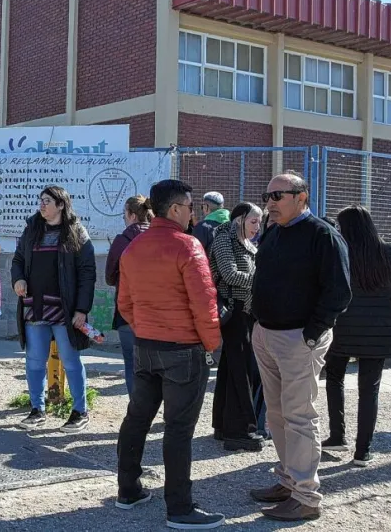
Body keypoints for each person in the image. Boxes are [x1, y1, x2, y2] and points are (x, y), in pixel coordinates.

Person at [115, 179, 224, 530]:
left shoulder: (133, 247)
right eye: (190, 206)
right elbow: (205, 304)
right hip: (183, 350)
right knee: (178, 430)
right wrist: (211, 345)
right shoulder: (187, 246)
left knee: (137, 419)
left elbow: (125, 304)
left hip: (146, 346)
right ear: (175, 209)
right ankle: (179, 508)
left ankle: (128, 489)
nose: (194, 212)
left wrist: (146, 327)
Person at [249, 172, 351, 521]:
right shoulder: (275, 231)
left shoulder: (322, 235)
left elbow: (338, 292)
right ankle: (290, 479)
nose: (270, 203)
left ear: (302, 197)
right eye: (268, 195)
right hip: (267, 334)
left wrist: (311, 334)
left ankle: (307, 497)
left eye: (278, 196)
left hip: (298, 339)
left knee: (300, 418)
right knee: (276, 415)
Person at [323, 206, 391, 466]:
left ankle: (337, 435)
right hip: (379, 331)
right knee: (369, 390)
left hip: (342, 325)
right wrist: (387, 311)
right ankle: (362, 452)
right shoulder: (385, 251)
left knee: (334, 379)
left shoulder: (339, 251)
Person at [11, 186, 96, 433]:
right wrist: (18, 279)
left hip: (65, 310)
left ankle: (80, 411)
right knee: (35, 361)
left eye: (47, 201)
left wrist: (81, 309)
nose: (42, 205)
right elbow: (17, 260)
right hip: (34, 307)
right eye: (40, 200)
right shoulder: (32, 230)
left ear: (61, 205)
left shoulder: (76, 232)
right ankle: (37, 410)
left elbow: (87, 273)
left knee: (70, 361)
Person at [209, 202, 264, 452]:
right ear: (239, 218)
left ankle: (223, 426)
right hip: (234, 310)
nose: (258, 226)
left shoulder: (247, 243)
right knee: (241, 371)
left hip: (246, 311)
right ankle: (239, 431)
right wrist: (263, 280)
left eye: (260, 222)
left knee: (231, 369)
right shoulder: (224, 237)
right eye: (254, 221)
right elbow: (229, 274)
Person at [105, 195, 153, 397]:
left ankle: (137, 411)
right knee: (153, 364)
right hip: (155, 309)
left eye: (124, 213)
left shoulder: (122, 240)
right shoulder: (158, 237)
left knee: (132, 363)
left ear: (132, 215)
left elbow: (109, 276)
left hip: (128, 308)